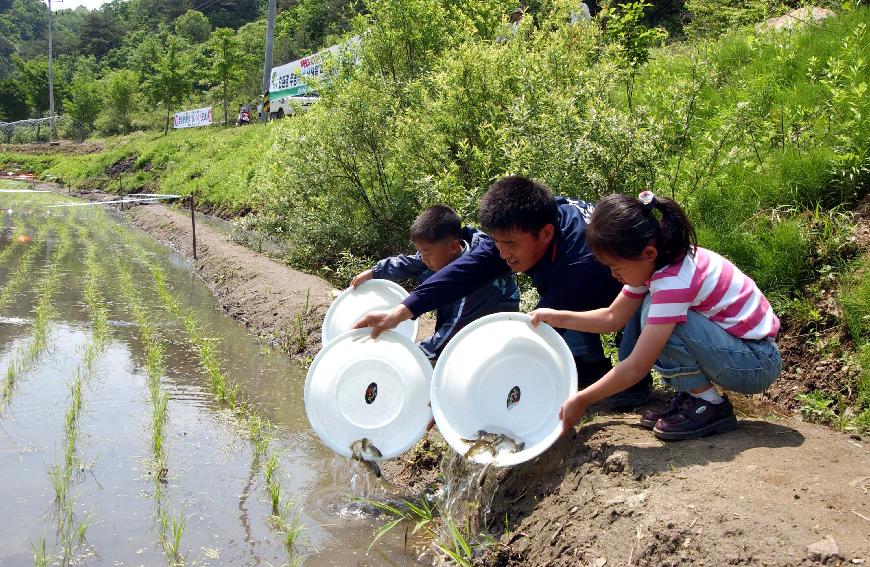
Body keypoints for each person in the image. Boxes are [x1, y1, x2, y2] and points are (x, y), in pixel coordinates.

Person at [353, 176, 653, 410]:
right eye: (496, 242)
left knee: (609, 343)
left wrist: (478, 388)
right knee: (559, 317)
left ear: (546, 233)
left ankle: (635, 384)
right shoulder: (527, 225)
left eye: (509, 245)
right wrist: (402, 311)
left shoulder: (578, 262)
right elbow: (463, 271)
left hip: (631, 289)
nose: (502, 253)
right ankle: (589, 367)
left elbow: (539, 334)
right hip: (578, 288)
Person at [530, 191, 782, 440]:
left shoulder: (673, 280)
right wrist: (556, 316)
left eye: (616, 267)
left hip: (756, 363)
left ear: (648, 253)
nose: (613, 275)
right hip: (737, 352)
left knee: (655, 311)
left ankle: (709, 404)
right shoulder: (656, 263)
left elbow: (637, 367)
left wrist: (582, 399)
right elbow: (612, 317)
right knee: (653, 307)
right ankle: (693, 394)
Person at [351, 205, 519, 361]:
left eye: (427, 253)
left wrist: (411, 354)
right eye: (420, 252)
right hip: (461, 318)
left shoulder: (475, 283)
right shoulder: (442, 253)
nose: (423, 259)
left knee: (468, 359)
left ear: (453, 247)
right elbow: (410, 263)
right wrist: (375, 272)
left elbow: (454, 329)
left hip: (491, 331)